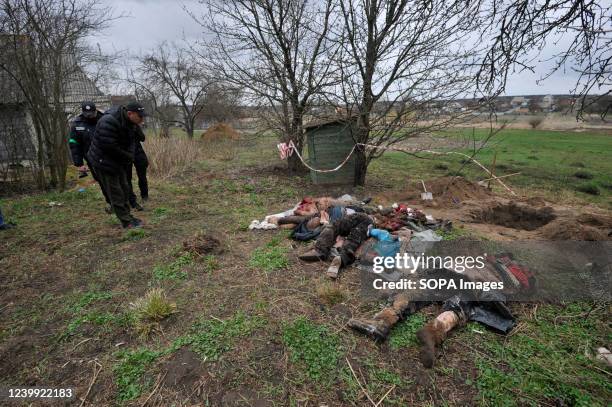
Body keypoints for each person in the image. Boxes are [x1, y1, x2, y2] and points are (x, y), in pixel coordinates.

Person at [87, 101, 147, 229]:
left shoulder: (131, 122)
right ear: (130, 113)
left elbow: (136, 140)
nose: (142, 119)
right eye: (140, 117)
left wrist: (130, 154)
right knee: (116, 192)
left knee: (125, 188)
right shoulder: (108, 121)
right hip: (103, 161)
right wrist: (128, 156)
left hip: (117, 159)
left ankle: (127, 214)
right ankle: (127, 222)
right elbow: (110, 147)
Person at [68, 101, 111, 212]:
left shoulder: (105, 119)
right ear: (83, 113)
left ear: (95, 110)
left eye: (91, 114)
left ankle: (127, 200)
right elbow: (74, 144)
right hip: (92, 158)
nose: (89, 116)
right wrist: (79, 163)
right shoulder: (77, 124)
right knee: (101, 180)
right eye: (87, 114)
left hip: (109, 155)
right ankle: (111, 202)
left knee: (115, 178)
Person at [124, 125, 149, 210]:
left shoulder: (134, 125)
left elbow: (142, 138)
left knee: (142, 176)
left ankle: (145, 195)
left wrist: (136, 128)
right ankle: (131, 199)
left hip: (138, 152)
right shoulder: (119, 125)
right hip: (125, 153)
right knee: (127, 178)